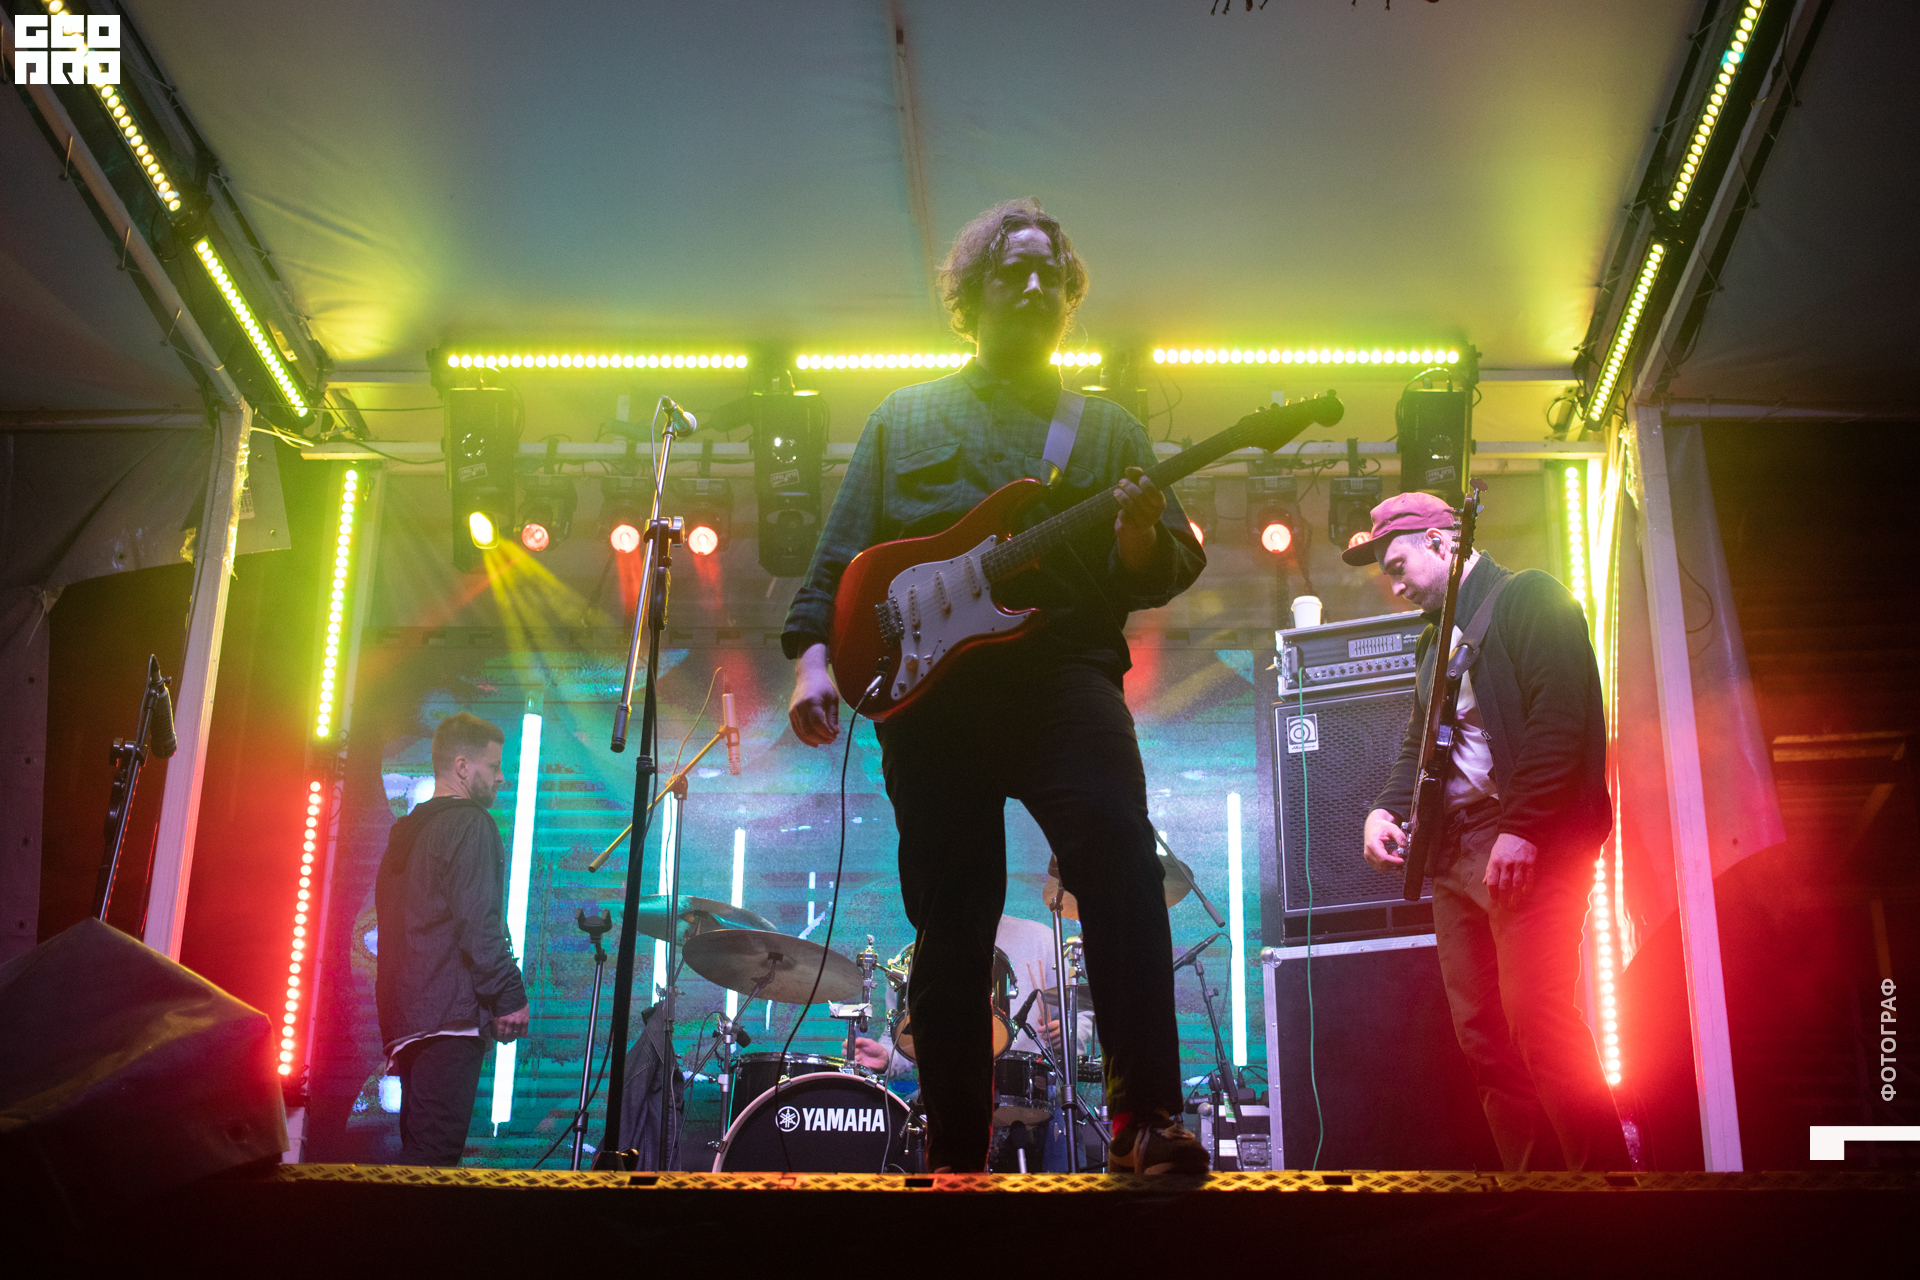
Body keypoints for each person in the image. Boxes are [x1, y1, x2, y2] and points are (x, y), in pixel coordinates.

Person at [786, 197, 1209, 1174]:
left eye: (1048, 274)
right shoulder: (903, 416)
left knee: (1121, 862)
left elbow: (1165, 564)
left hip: (1062, 672)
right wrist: (812, 658)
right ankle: (955, 1151)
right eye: (1011, 270)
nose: (1031, 284)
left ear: (1068, 299)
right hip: (934, 698)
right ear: (969, 297)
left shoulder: (1106, 427)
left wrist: (1135, 537)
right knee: (952, 915)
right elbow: (842, 552)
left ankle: (1145, 1118)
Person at [1349, 491, 1631, 1172]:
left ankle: (1609, 1193)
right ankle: (1533, 1197)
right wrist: (1384, 809)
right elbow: (1419, 746)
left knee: (1537, 1019)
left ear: (1441, 540)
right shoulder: (1432, 642)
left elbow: (1560, 718)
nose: (1393, 586)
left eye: (1397, 566)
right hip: (1455, 854)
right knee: (1484, 1039)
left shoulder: (1530, 597)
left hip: (1526, 842)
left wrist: (1524, 828)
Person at [375, 711, 531, 1166]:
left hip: (408, 1020)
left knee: (419, 1156)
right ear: (462, 767)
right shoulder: (470, 823)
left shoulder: (408, 831)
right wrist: (509, 996)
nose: (501, 778)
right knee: (433, 1163)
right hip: (449, 1020)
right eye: (493, 766)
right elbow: (478, 923)